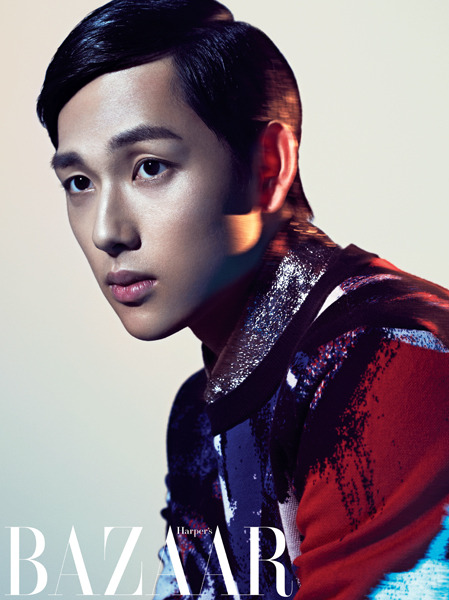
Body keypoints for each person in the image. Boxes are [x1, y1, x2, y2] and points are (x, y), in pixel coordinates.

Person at [37, 0, 449, 597]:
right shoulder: (199, 413)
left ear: (267, 167)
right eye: (79, 183)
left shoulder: (391, 363)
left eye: (149, 167)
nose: (107, 231)